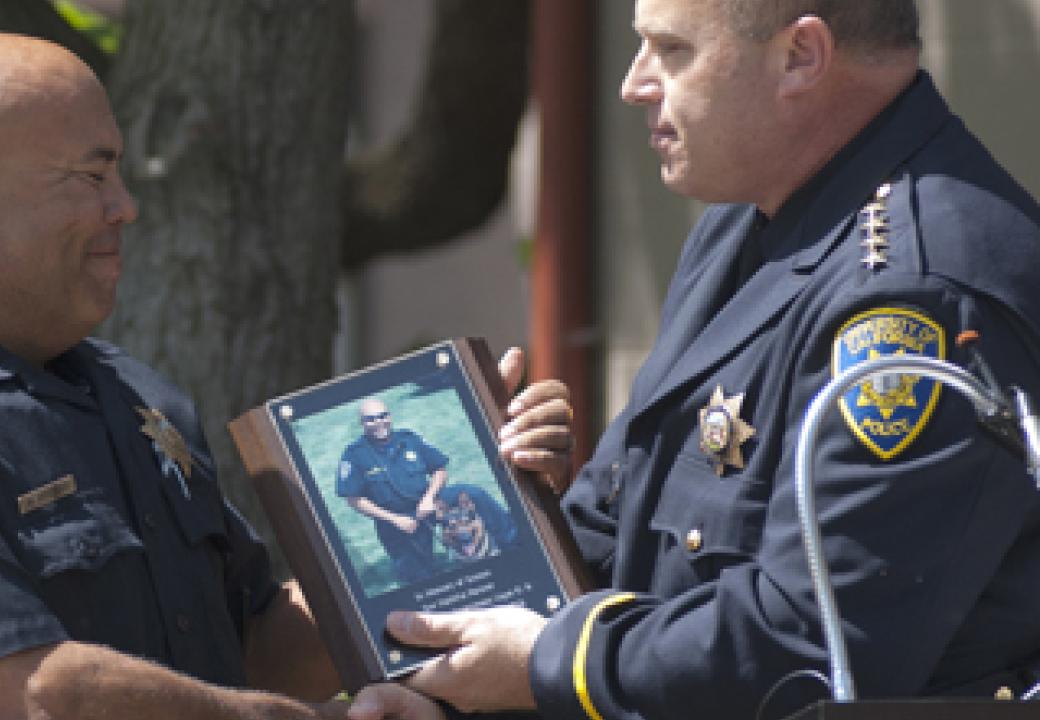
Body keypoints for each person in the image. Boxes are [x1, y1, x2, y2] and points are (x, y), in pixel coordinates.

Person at [0, 31, 576, 720]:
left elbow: (252, 650)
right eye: (91, 175)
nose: (126, 206)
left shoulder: (127, 394)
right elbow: (31, 695)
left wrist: (486, 481)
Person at [348, 1, 1040, 719]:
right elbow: (618, 530)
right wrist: (458, 676)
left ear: (801, 56)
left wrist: (545, 662)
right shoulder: (746, 224)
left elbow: (815, 647)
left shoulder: (918, 296)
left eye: (671, 51)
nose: (634, 83)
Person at [338, 398, 450, 583]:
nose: (379, 423)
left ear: (390, 416)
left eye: (383, 416)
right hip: (392, 524)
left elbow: (439, 469)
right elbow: (354, 499)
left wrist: (429, 498)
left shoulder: (410, 439)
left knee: (450, 556)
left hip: (426, 509)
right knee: (417, 576)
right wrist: (395, 520)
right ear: (362, 423)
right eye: (371, 419)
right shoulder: (355, 454)